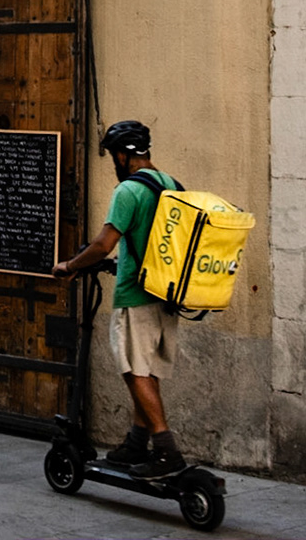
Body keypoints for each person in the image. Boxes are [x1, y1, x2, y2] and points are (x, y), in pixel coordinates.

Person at [52, 120, 188, 479]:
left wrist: (70, 265)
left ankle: (165, 450)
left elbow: (103, 243)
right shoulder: (169, 184)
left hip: (136, 297)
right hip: (165, 294)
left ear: (124, 155)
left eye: (115, 154)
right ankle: (135, 442)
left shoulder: (129, 190)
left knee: (134, 371)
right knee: (148, 371)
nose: (114, 160)